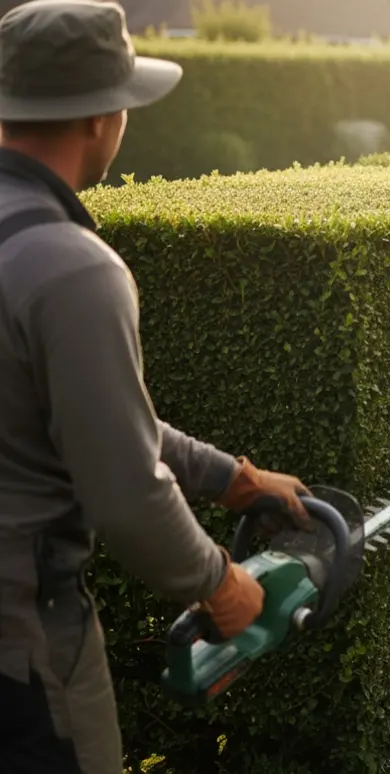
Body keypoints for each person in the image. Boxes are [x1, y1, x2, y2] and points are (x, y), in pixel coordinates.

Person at [0, 2, 314, 773]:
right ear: (106, 116)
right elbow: (126, 492)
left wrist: (229, 478)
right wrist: (220, 584)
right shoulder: (73, 269)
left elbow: (80, 418)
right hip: (24, 651)